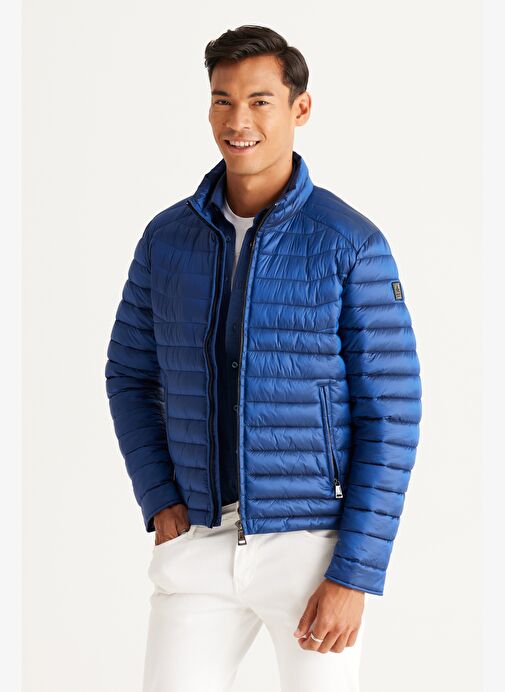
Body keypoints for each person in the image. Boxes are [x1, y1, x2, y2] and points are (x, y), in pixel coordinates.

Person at [104, 24, 422, 692]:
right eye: (222, 100)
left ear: (299, 108)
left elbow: (391, 413)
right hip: (198, 542)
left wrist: (354, 573)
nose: (237, 120)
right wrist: (159, 495)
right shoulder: (166, 239)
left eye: (259, 101)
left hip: (312, 550)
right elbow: (129, 374)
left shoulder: (349, 243)